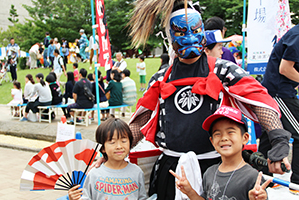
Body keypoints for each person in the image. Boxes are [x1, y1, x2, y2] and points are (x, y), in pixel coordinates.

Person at [124, 1, 290, 199]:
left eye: (195, 29)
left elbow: (259, 101)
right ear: (169, 35)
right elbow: (141, 120)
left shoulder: (224, 70)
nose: (190, 37)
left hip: (216, 169)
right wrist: (110, 152)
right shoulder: (161, 78)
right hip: (171, 171)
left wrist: (278, 139)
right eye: (180, 31)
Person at [170, 106, 271, 200]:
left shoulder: (252, 176)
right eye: (217, 134)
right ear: (212, 141)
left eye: (230, 132)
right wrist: (190, 192)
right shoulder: (209, 173)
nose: (224, 138)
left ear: (245, 138)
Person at [68, 118, 147, 200]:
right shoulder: (94, 174)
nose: (119, 146)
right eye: (112, 142)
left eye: (124, 141)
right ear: (102, 148)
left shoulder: (137, 172)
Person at [261, 24, 299, 195]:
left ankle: (262, 178)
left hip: (278, 90)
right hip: (278, 92)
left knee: (269, 134)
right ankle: (297, 181)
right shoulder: (298, 35)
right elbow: (285, 68)